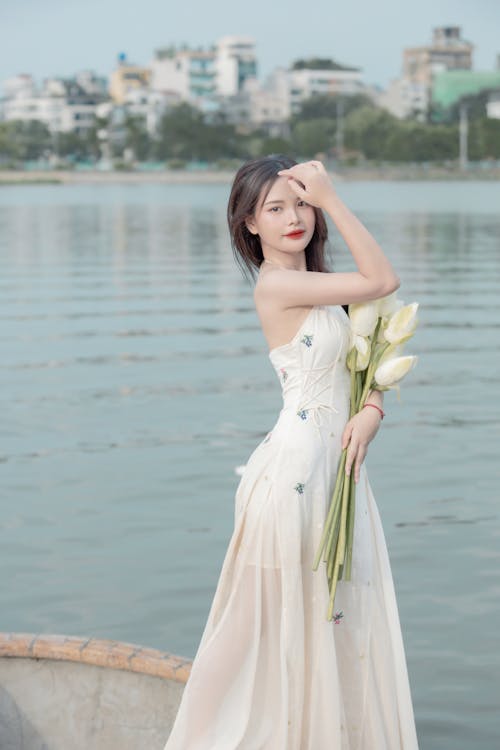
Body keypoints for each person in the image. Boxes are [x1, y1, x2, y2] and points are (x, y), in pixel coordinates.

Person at [163, 156, 419, 749]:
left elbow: (371, 356)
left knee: (331, 623)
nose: (294, 217)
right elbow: (383, 280)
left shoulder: (327, 286)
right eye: (275, 208)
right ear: (250, 224)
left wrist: (373, 409)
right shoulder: (278, 284)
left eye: (301, 203)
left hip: (337, 474)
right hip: (293, 475)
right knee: (253, 621)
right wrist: (331, 196)